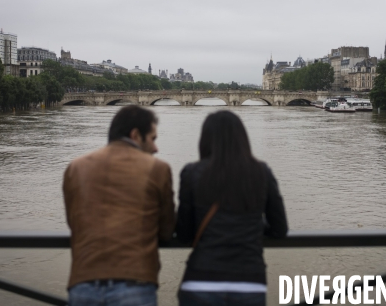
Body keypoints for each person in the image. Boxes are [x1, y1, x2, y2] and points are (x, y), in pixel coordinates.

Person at [63, 105, 175, 306]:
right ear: (135, 135)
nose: (156, 148)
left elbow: (74, 222)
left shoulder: (76, 167)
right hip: (135, 281)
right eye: (153, 138)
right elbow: (166, 230)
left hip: (83, 280)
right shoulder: (157, 168)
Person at [176, 110, 288, 306]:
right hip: (249, 281)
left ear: (205, 139)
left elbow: (184, 233)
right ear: (242, 138)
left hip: (201, 280)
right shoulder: (262, 172)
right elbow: (280, 229)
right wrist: (253, 224)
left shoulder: (191, 172)